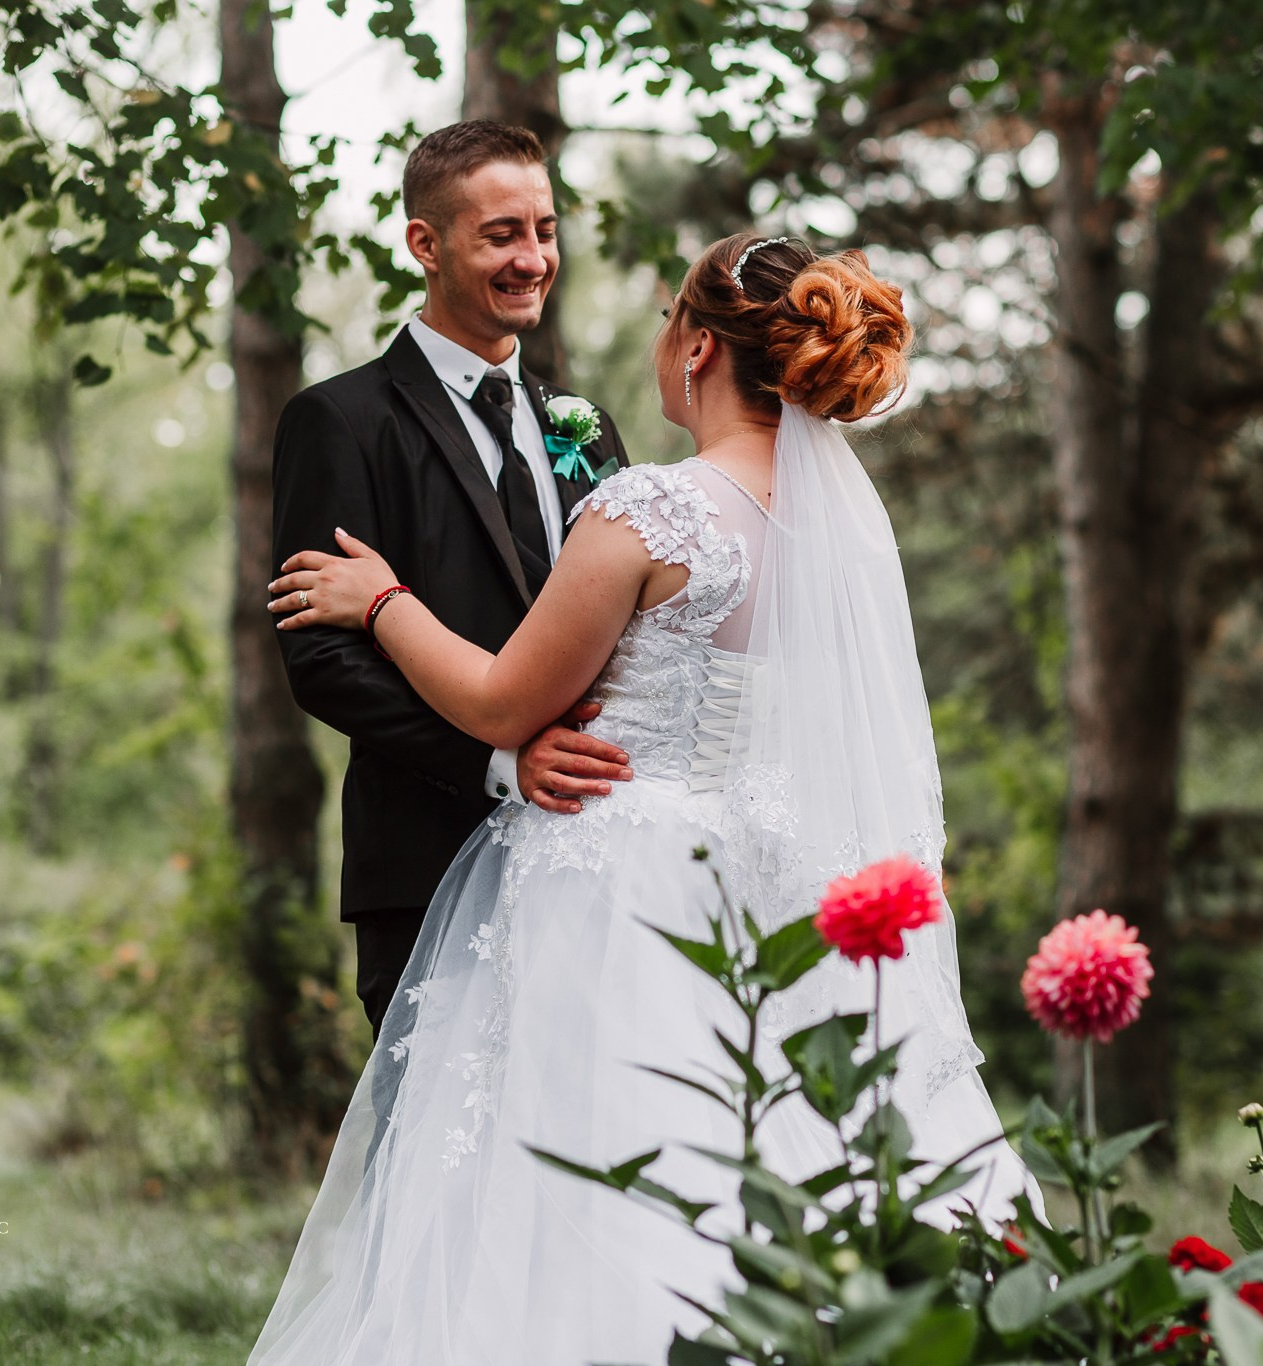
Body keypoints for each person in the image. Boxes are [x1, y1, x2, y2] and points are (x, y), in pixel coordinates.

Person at [249, 234, 1032, 1364]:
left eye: (671, 319)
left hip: (614, 881)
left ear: (698, 344)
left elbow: (498, 701)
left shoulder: (651, 510)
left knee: (580, 1177)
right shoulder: (839, 534)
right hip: (765, 874)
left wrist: (379, 601)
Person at [270, 119, 635, 1035]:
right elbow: (324, 665)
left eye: (545, 230)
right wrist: (502, 762)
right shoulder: (339, 421)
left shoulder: (585, 425)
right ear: (425, 245)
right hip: (427, 865)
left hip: (598, 853)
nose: (533, 258)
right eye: (501, 234)